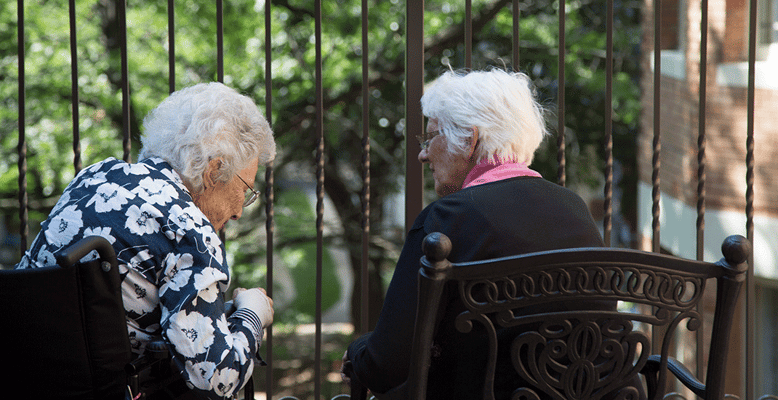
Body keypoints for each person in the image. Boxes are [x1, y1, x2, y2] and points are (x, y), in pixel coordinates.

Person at [341, 68, 613, 399]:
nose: (422, 154)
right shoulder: (575, 209)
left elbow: (386, 366)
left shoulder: (447, 219)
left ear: (469, 140)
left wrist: (357, 351)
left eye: (430, 139)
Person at [16, 82, 275, 400]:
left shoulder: (95, 176)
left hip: (22, 373)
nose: (238, 211)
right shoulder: (190, 233)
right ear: (213, 171)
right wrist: (253, 312)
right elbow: (217, 378)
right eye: (245, 190)